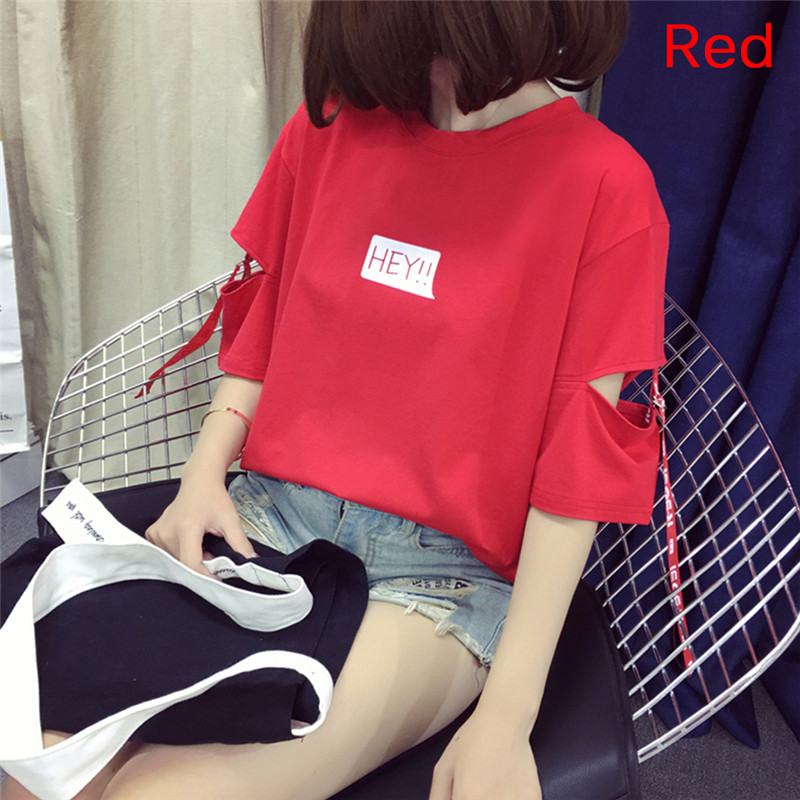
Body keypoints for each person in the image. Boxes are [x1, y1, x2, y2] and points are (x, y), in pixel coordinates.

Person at [3, 1, 668, 798]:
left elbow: (577, 472)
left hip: (443, 580)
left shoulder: (604, 185)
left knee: (160, 793)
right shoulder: (331, 129)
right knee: (33, 760)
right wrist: (203, 474)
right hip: (270, 518)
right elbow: (267, 317)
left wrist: (507, 713)